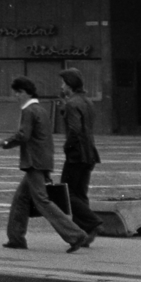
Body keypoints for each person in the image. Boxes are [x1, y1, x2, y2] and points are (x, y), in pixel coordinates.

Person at [0, 76, 88, 252]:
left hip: (34, 162)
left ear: (26, 92)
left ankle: (76, 235)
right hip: (42, 160)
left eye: (18, 92)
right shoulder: (41, 109)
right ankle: (16, 238)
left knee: (42, 201)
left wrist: (4, 143)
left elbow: (23, 135)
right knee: (20, 199)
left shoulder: (29, 111)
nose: (16, 96)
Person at [58, 68, 103, 247]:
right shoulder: (87, 101)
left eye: (63, 83)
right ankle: (84, 232)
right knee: (80, 194)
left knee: (67, 193)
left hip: (77, 154)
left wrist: (66, 146)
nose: (61, 86)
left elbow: (75, 130)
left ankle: (92, 223)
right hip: (90, 153)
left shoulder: (72, 103)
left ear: (69, 85)